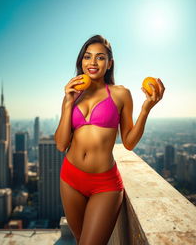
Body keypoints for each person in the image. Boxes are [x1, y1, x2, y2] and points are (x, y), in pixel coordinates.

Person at [54, 35, 165, 244]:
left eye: (100, 57)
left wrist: (145, 110)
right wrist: (68, 103)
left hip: (104, 184)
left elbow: (129, 142)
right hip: (70, 178)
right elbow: (61, 144)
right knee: (80, 240)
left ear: (109, 63)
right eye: (87, 57)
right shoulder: (72, 95)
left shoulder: (121, 94)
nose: (93, 63)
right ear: (81, 62)